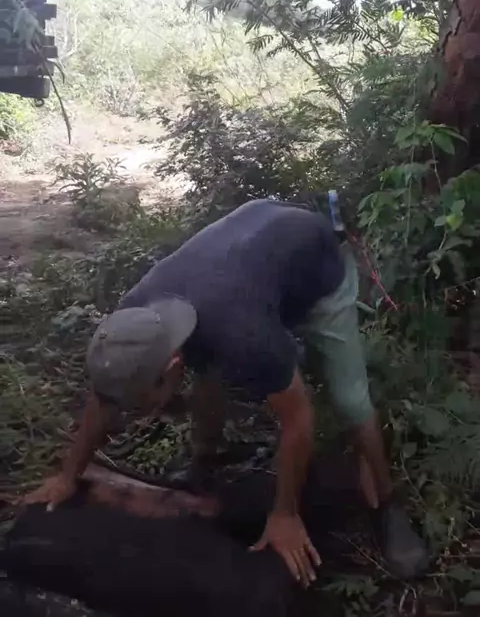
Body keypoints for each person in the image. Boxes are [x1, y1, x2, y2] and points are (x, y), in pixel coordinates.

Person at [26, 198, 428, 587]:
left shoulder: (244, 336)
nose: (134, 414)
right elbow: (105, 395)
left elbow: (299, 419)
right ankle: (205, 460)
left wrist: (285, 514)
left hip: (316, 262)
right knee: (210, 368)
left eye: (140, 404)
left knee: (349, 398)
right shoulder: (134, 321)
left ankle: (387, 504)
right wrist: (68, 475)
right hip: (249, 252)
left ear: (171, 366)